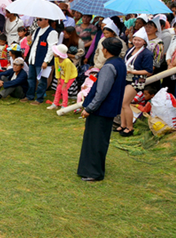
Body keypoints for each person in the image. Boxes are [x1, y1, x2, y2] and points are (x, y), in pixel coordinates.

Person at [78, 39, 127, 181]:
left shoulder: (109, 66)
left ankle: (93, 172)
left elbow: (101, 92)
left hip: (101, 110)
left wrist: (89, 108)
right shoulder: (120, 63)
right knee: (99, 140)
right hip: (109, 109)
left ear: (106, 50)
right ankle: (93, 169)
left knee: (95, 140)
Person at [118, 29, 154, 137]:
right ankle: (123, 124)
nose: (136, 42)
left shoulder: (147, 54)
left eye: (139, 40)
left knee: (125, 103)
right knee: (122, 102)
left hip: (137, 80)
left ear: (144, 42)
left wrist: (133, 71)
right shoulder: (131, 49)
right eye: (135, 39)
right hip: (127, 77)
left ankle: (130, 127)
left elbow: (148, 71)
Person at [23, 17, 58, 106]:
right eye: (37, 20)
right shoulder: (37, 30)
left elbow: (51, 48)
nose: (38, 21)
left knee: (42, 80)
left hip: (42, 60)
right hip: (33, 58)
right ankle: (30, 95)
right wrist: (29, 41)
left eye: (40, 20)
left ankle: (39, 98)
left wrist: (46, 61)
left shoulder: (52, 32)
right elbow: (33, 45)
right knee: (31, 78)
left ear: (47, 20)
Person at [48, 44, 79, 110]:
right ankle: (55, 104)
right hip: (63, 75)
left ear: (58, 53)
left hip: (70, 76)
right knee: (58, 89)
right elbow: (58, 68)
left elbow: (68, 72)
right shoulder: (56, 59)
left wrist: (65, 82)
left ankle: (64, 106)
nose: (53, 52)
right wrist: (58, 78)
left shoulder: (67, 62)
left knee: (64, 90)